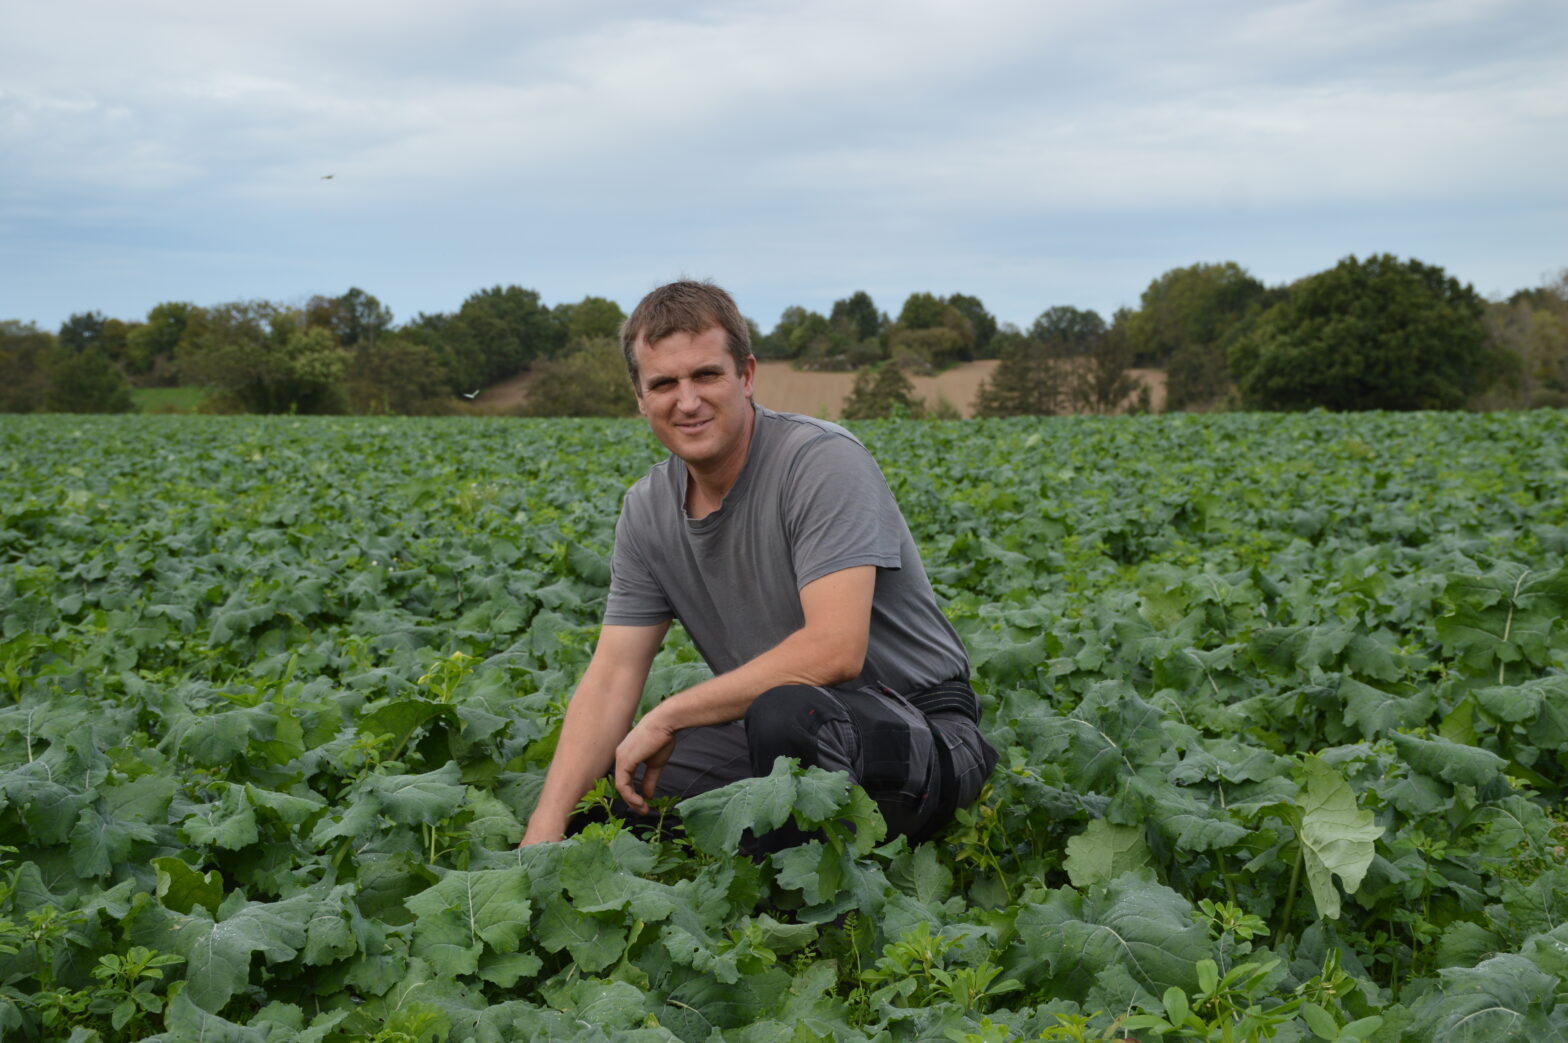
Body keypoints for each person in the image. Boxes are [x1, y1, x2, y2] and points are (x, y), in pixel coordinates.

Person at [519, 280, 996, 848]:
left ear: (746, 375)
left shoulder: (820, 462)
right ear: (641, 398)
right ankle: (765, 847)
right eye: (664, 383)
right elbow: (613, 674)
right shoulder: (647, 510)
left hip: (920, 729)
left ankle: (806, 916)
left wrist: (671, 714)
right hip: (778, 738)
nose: (687, 401)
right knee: (607, 799)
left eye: (706, 375)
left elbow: (835, 650)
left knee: (788, 717)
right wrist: (545, 829)